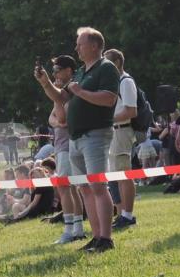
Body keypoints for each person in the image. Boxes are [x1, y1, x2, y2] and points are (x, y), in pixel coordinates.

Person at [37, 28, 120, 252]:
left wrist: (81, 92)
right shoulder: (82, 71)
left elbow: (109, 99)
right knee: (85, 188)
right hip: (76, 138)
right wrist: (46, 83)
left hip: (95, 134)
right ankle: (96, 236)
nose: (76, 48)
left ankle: (106, 239)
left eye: (80, 44)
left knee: (98, 187)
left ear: (94, 46)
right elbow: (61, 97)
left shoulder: (106, 68)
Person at [34, 55, 86, 244]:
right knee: (70, 187)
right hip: (63, 144)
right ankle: (77, 228)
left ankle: (70, 229)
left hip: (67, 145)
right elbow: (52, 119)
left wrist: (56, 99)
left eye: (57, 70)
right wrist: (56, 121)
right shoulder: (66, 90)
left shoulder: (71, 90)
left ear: (68, 70)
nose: (54, 74)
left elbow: (61, 118)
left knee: (65, 187)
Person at [103, 49, 139, 230]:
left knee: (124, 175)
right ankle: (122, 214)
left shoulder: (126, 81)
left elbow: (131, 111)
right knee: (117, 176)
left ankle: (128, 215)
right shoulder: (115, 82)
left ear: (117, 62)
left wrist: (108, 119)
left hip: (122, 131)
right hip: (114, 131)